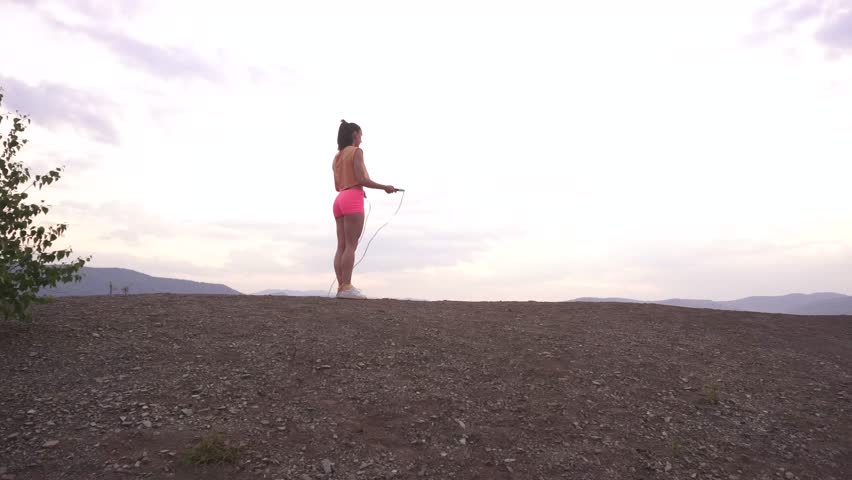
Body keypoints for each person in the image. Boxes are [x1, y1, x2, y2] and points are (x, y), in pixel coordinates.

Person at [332, 120, 398, 299]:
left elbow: (338, 184)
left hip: (339, 200)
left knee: (341, 246)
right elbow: (361, 178)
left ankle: (341, 287)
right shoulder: (356, 151)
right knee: (351, 246)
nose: (362, 138)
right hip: (352, 198)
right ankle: (347, 286)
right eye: (360, 134)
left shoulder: (337, 157)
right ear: (354, 134)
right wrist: (385, 186)